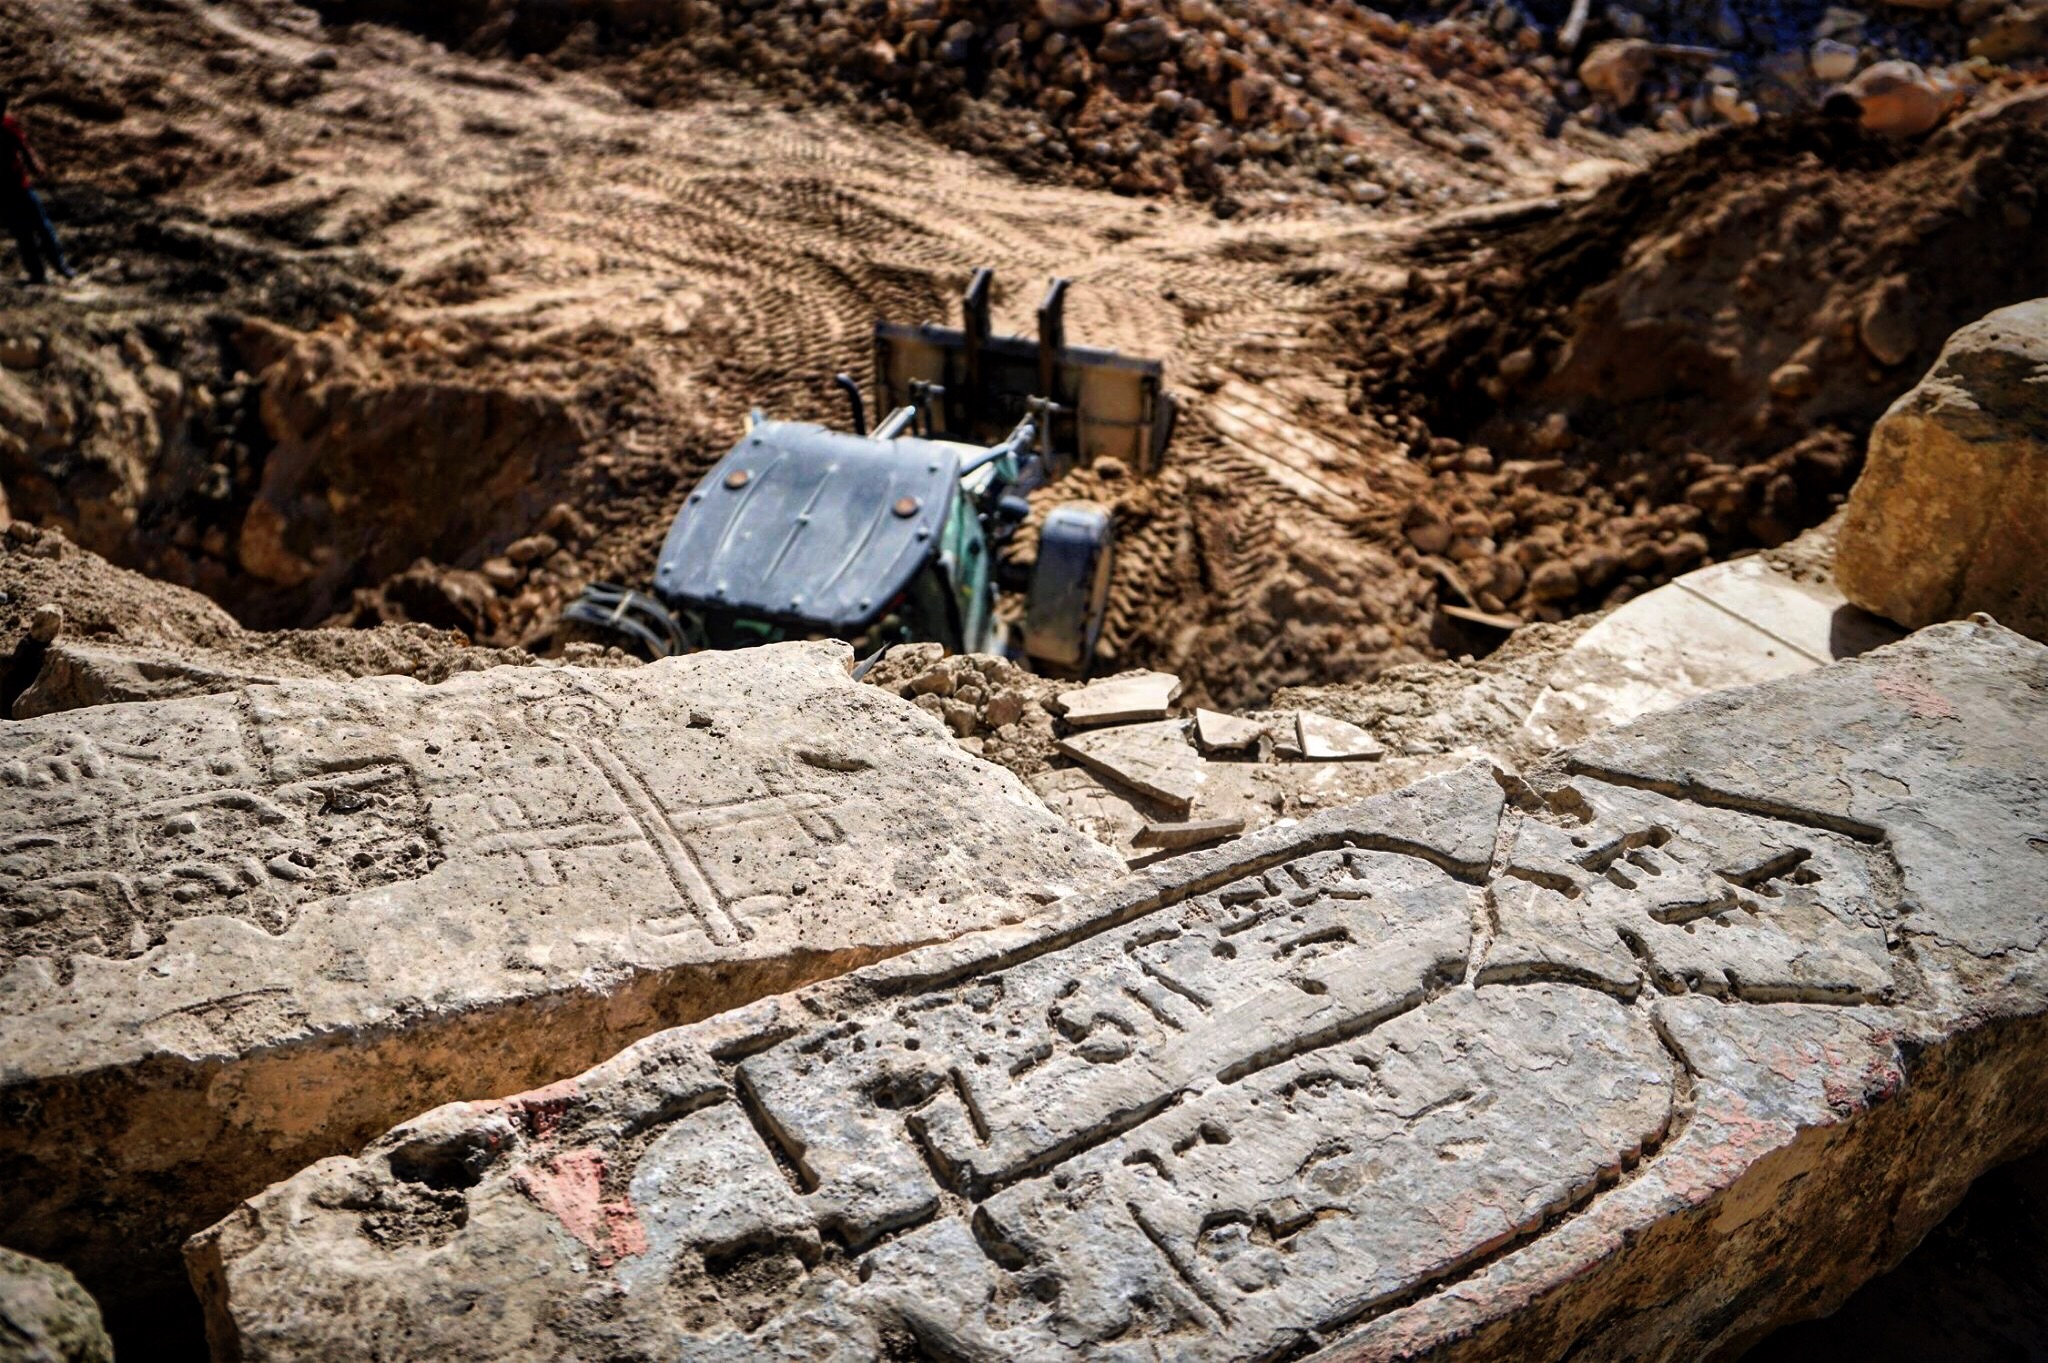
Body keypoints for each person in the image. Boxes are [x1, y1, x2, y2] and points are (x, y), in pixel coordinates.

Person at [0, 92, 75, 285]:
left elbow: (23, 147)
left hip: (19, 185)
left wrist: (35, 164)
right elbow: (24, 148)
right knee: (28, 231)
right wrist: (34, 164)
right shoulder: (7, 123)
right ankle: (42, 271)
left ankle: (58, 266)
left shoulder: (8, 124)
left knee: (39, 227)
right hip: (10, 189)